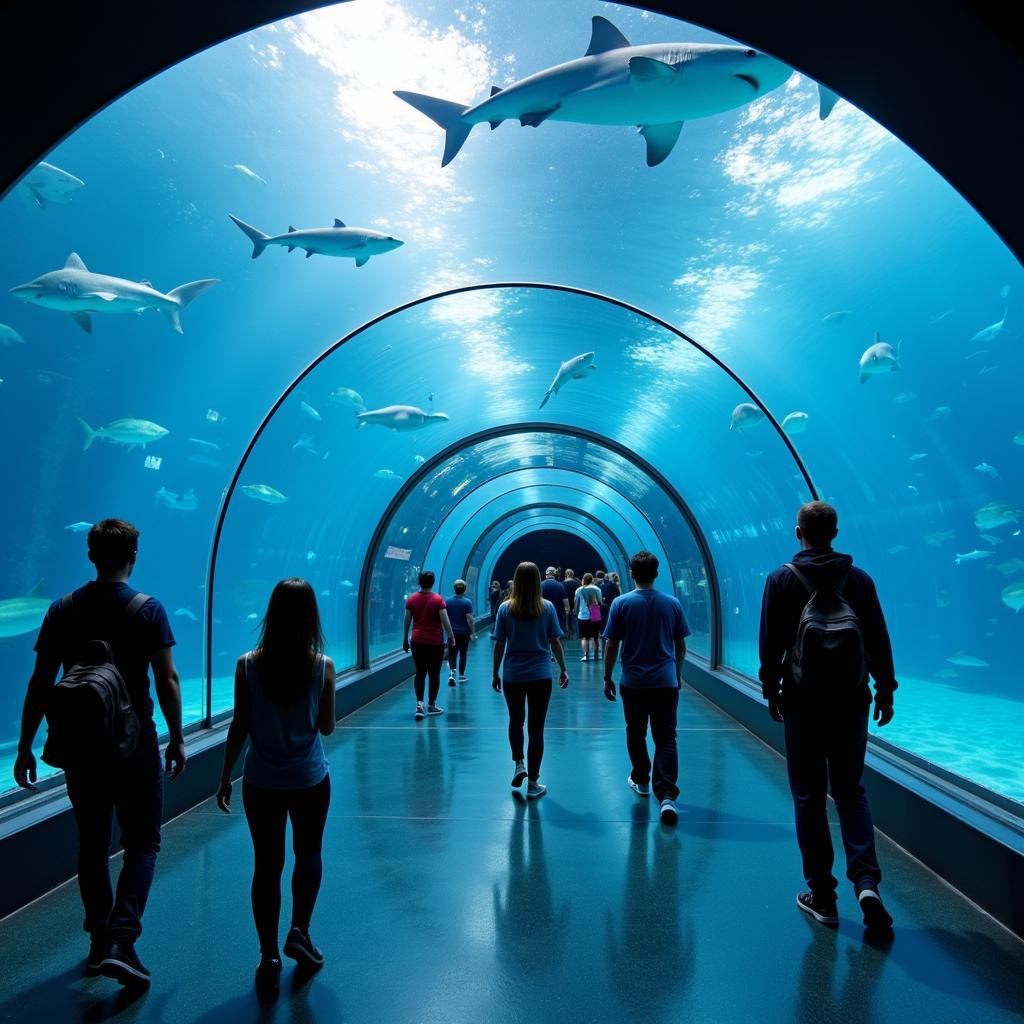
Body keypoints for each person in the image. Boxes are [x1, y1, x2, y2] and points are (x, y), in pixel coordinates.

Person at [14, 519, 185, 987]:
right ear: (134, 556)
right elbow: (167, 680)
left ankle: (97, 940)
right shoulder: (149, 609)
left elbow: (40, 682)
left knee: (92, 845)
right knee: (143, 841)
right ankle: (122, 940)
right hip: (135, 746)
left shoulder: (61, 609)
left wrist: (28, 743)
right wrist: (177, 735)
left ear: (91, 555)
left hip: (81, 747)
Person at [759, 501, 897, 933]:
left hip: (803, 701)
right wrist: (885, 690)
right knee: (851, 791)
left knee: (809, 795)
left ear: (798, 531)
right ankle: (867, 884)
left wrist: (771, 691)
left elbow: (770, 646)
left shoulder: (781, 579)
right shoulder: (858, 579)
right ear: (835, 532)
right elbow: (877, 637)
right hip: (852, 701)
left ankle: (822, 895)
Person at [216, 579, 335, 995]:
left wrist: (224, 776)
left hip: (261, 781)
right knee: (309, 853)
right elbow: (326, 727)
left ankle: (268, 955)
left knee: (266, 866)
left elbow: (239, 726)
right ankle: (299, 931)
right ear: (311, 616)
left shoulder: (247, 664)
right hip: (308, 778)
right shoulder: (323, 666)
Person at [602, 552, 689, 825]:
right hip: (665, 681)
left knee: (636, 732)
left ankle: (641, 779)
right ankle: (667, 797)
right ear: (657, 572)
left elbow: (612, 643)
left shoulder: (621, 603)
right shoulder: (672, 604)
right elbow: (680, 645)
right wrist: (677, 674)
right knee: (666, 737)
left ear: (631, 573)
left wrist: (607, 677)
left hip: (634, 681)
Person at [492, 562, 568, 798]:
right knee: (537, 729)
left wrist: (495, 672)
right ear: (538, 581)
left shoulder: (505, 609)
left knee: (516, 721)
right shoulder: (547, 608)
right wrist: (563, 669)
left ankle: (519, 764)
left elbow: (499, 644)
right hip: (540, 675)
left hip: (513, 674)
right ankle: (533, 784)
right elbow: (555, 641)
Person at [403, 571, 456, 720]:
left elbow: (406, 620)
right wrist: (451, 637)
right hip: (434, 642)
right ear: (433, 582)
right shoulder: (438, 600)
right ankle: (431, 705)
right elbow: (445, 621)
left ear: (419, 582)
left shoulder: (412, 599)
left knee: (420, 672)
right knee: (434, 674)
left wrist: (405, 639)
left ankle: (419, 705)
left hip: (417, 640)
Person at [445, 579, 475, 684]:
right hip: (464, 633)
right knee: (463, 653)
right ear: (465, 590)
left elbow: (445, 617)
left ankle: (452, 674)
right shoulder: (467, 602)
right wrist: (473, 632)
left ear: (454, 589)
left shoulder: (447, 601)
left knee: (452, 654)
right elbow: (469, 619)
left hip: (452, 633)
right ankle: (462, 676)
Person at [574, 573, 603, 662]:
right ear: (592, 580)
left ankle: (586, 656)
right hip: (595, 615)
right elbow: (600, 601)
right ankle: (596, 654)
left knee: (584, 637)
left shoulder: (579, 590)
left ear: (583, 579)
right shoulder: (597, 589)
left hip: (582, 615)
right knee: (596, 636)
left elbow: (576, 602)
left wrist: (575, 611)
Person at [541, 567, 569, 659]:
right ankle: (554, 655)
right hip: (558, 614)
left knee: (544, 634)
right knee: (556, 635)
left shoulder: (540, 585)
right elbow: (565, 601)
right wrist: (567, 611)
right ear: (555, 575)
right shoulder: (560, 585)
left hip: (542, 613)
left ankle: (547, 653)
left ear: (546, 574)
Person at [599, 571, 622, 658]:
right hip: (616, 608)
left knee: (605, 630)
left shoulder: (606, 586)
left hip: (607, 609)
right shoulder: (617, 586)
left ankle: (604, 653)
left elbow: (603, 598)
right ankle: (619, 655)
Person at [562, 569, 581, 640]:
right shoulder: (578, 584)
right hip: (575, 605)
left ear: (565, 575)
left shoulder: (562, 584)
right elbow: (579, 597)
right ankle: (575, 638)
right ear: (573, 575)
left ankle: (567, 635)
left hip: (565, 606)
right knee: (575, 623)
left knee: (566, 622)